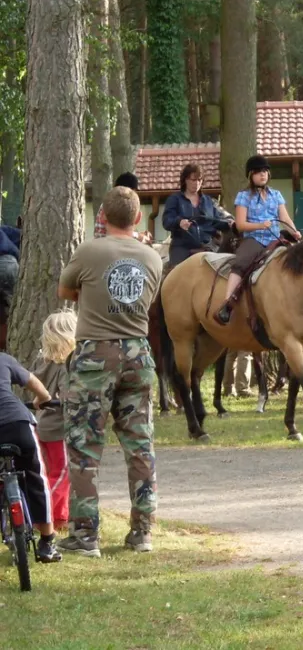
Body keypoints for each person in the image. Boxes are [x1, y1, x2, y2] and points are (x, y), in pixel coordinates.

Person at [57, 186, 163, 557]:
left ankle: (86, 536)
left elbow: (64, 291)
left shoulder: (89, 251)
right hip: (138, 354)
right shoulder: (152, 258)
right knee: (140, 446)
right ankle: (143, 531)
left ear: (101, 216)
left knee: (85, 446)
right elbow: (147, 300)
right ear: (137, 218)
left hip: (94, 357)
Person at [215, 154, 301, 326]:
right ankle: (227, 305)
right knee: (240, 263)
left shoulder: (276, 195)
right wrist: (261, 225)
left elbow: (284, 217)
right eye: (258, 172)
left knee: (301, 259)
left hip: (276, 238)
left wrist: (295, 231)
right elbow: (240, 225)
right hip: (254, 239)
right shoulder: (243, 196)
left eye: (265, 171)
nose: (263, 175)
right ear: (251, 175)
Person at [0, 347, 62, 563]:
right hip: (16, 422)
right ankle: (47, 543)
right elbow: (34, 384)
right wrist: (42, 399)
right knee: (36, 478)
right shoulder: (4, 359)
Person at [21, 309, 78, 531]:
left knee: (46, 473)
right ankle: (47, 517)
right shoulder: (66, 365)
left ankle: (60, 515)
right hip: (58, 429)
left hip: (41, 425)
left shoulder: (41, 362)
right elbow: (66, 395)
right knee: (62, 473)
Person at [162, 163, 234, 267]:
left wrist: (230, 224)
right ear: (185, 180)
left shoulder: (209, 201)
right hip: (182, 247)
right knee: (176, 273)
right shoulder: (174, 199)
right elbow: (166, 221)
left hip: (208, 247)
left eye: (199, 180)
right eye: (193, 180)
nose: (197, 183)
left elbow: (220, 221)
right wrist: (179, 222)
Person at [94, 172, 154, 244]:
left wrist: (138, 235)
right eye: (133, 191)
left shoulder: (109, 203)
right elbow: (116, 234)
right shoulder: (111, 205)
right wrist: (138, 236)